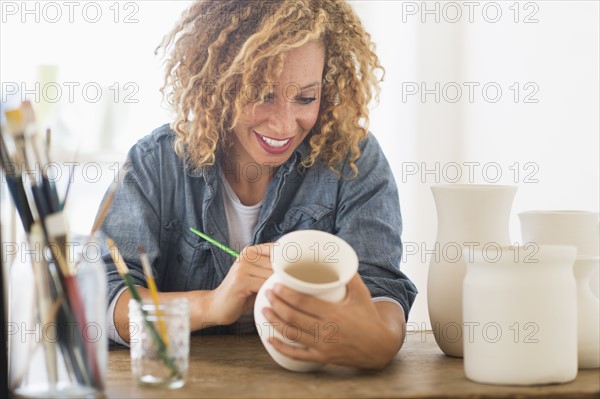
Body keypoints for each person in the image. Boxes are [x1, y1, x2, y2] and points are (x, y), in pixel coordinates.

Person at [98, 0, 417, 370]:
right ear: (218, 81)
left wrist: (379, 341)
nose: (283, 125)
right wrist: (213, 304)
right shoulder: (155, 165)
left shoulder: (352, 158)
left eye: (305, 98)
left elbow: (382, 291)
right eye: (262, 94)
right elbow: (104, 300)